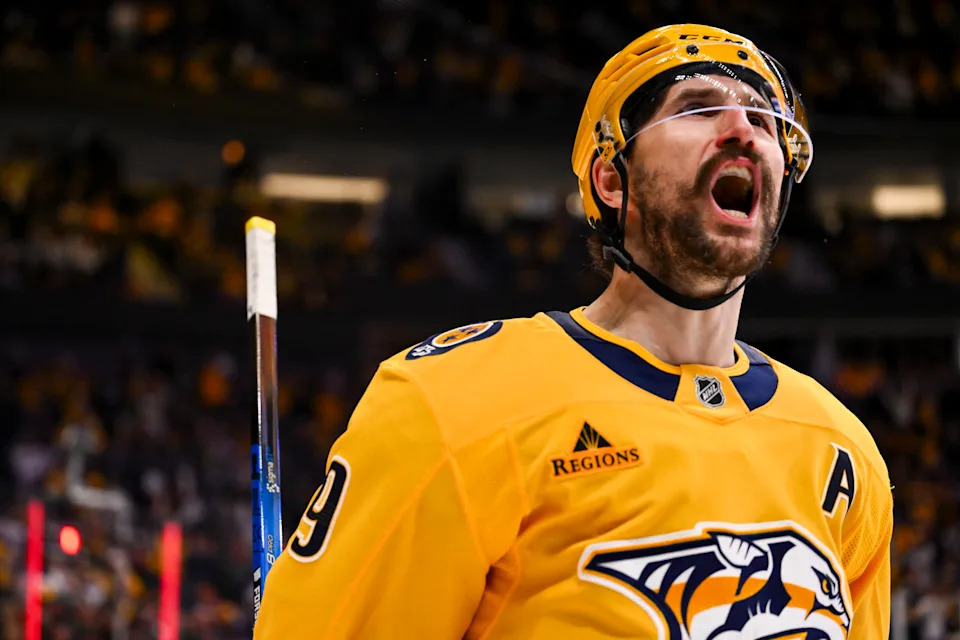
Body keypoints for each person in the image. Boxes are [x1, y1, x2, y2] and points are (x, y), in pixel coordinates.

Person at [254, 24, 892, 639]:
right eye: (697, 109)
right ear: (611, 179)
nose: (743, 131)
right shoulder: (455, 401)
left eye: (763, 119)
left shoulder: (841, 449)